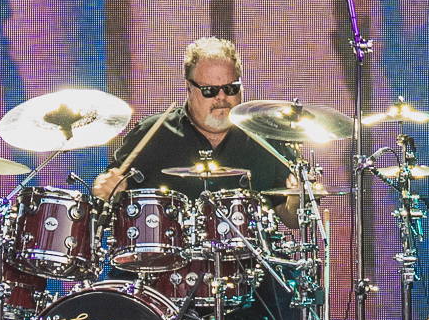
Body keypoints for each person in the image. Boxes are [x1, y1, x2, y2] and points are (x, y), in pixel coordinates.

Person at [92, 36, 298, 227]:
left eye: (231, 89)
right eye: (209, 90)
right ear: (189, 88)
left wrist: (298, 198)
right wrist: (105, 190)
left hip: (248, 263)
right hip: (166, 264)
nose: (222, 98)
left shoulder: (266, 138)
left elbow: (292, 219)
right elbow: (106, 205)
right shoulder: (152, 135)